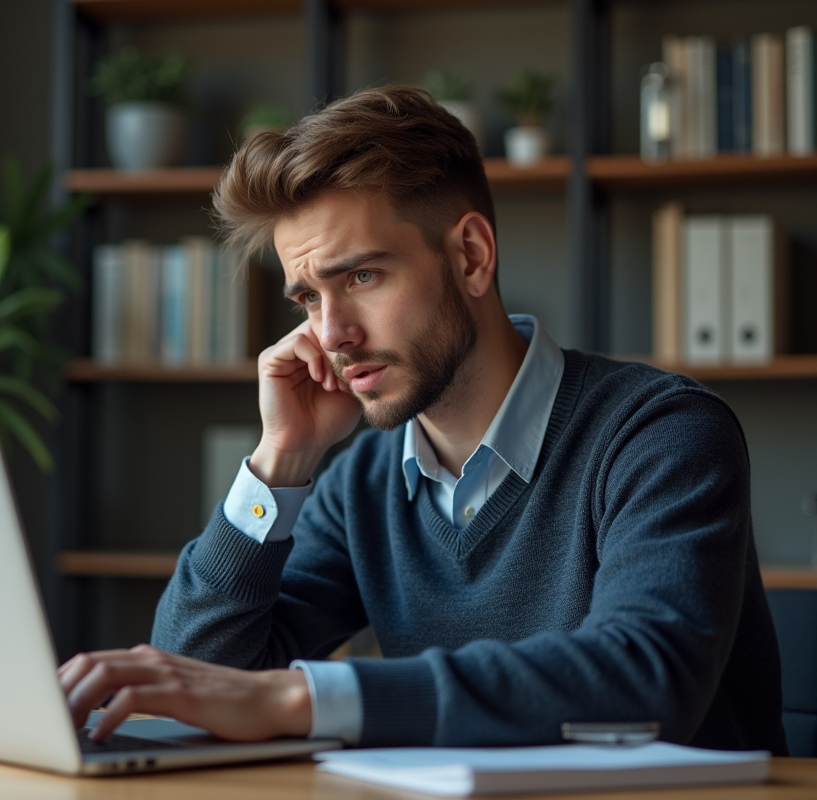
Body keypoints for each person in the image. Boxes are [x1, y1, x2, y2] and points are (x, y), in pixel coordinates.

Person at [58, 85, 786, 753]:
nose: (331, 333)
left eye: (361, 277)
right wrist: (279, 459)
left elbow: (648, 678)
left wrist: (305, 696)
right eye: (308, 298)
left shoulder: (662, 433)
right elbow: (200, 678)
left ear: (471, 256)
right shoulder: (361, 485)